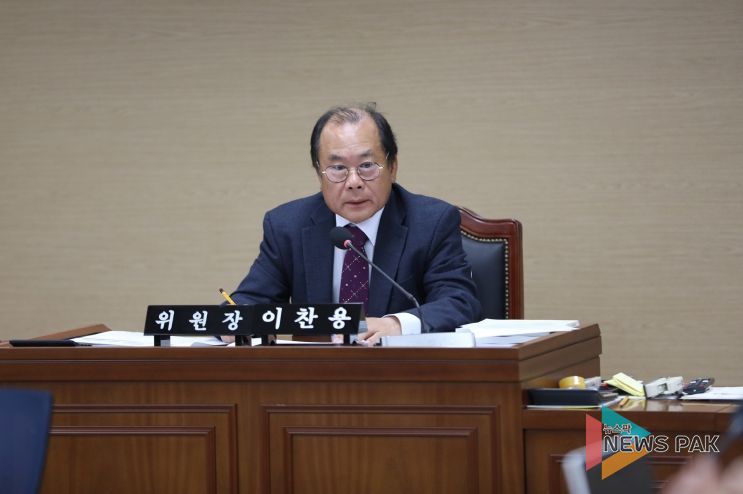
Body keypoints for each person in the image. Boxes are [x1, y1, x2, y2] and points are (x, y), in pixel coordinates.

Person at [227, 104, 481, 345]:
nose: (354, 182)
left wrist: (397, 324)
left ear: (392, 167)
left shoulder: (431, 222)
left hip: (402, 370)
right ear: (319, 173)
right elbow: (252, 300)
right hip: (316, 373)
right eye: (338, 168)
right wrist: (231, 322)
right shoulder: (287, 226)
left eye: (367, 166)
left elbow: (459, 302)